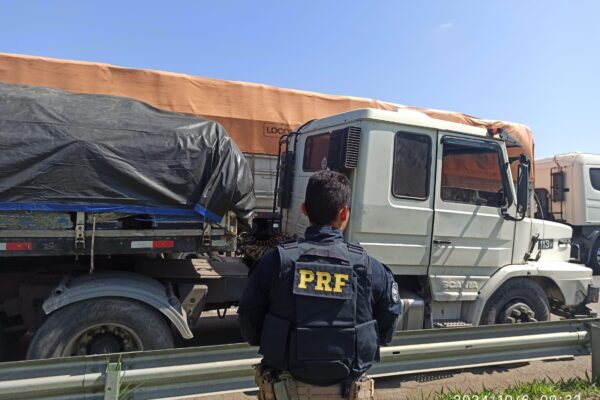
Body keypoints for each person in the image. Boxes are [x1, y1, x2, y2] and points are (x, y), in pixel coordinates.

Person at [238, 169, 402, 400]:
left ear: (304, 210)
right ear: (344, 213)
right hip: (348, 392)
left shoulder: (277, 261)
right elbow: (389, 318)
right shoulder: (370, 267)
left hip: (287, 390)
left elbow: (248, 315)